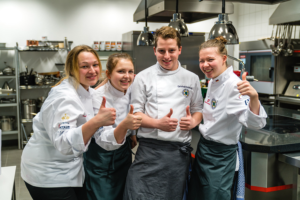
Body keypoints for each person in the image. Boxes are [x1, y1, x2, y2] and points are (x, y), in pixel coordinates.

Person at [21, 45, 125, 200]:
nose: (92, 70)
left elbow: (102, 137)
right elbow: (64, 144)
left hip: (71, 171)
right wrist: (96, 121)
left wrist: (125, 126)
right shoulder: (64, 97)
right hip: (48, 174)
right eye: (84, 66)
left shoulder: (88, 92)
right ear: (72, 69)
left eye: (95, 65)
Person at [123, 26, 203, 200]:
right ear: (154, 51)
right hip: (149, 151)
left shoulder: (192, 78)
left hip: (177, 155)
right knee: (137, 194)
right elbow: (136, 113)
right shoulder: (143, 77)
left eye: (171, 50)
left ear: (179, 50)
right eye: (161, 51)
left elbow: (198, 110)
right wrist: (157, 124)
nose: (166, 56)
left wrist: (193, 122)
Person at [188, 37, 267, 200]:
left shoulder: (234, 85)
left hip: (220, 156)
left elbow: (256, 123)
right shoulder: (212, 80)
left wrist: (254, 98)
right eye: (202, 60)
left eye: (210, 59)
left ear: (224, 58)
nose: (205, 65)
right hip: (205, 149)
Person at [84, 53, 142, 200]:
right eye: (121, 71)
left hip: (123, 152)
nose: (127, 76)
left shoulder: (131, 88)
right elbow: (103, 139)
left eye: (130, 71)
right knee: (103, 195)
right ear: (108, 74)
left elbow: (134, 110)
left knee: (123, 193)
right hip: (101, 156)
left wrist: (133, 133)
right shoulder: (97, 97)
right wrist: (124, 126)